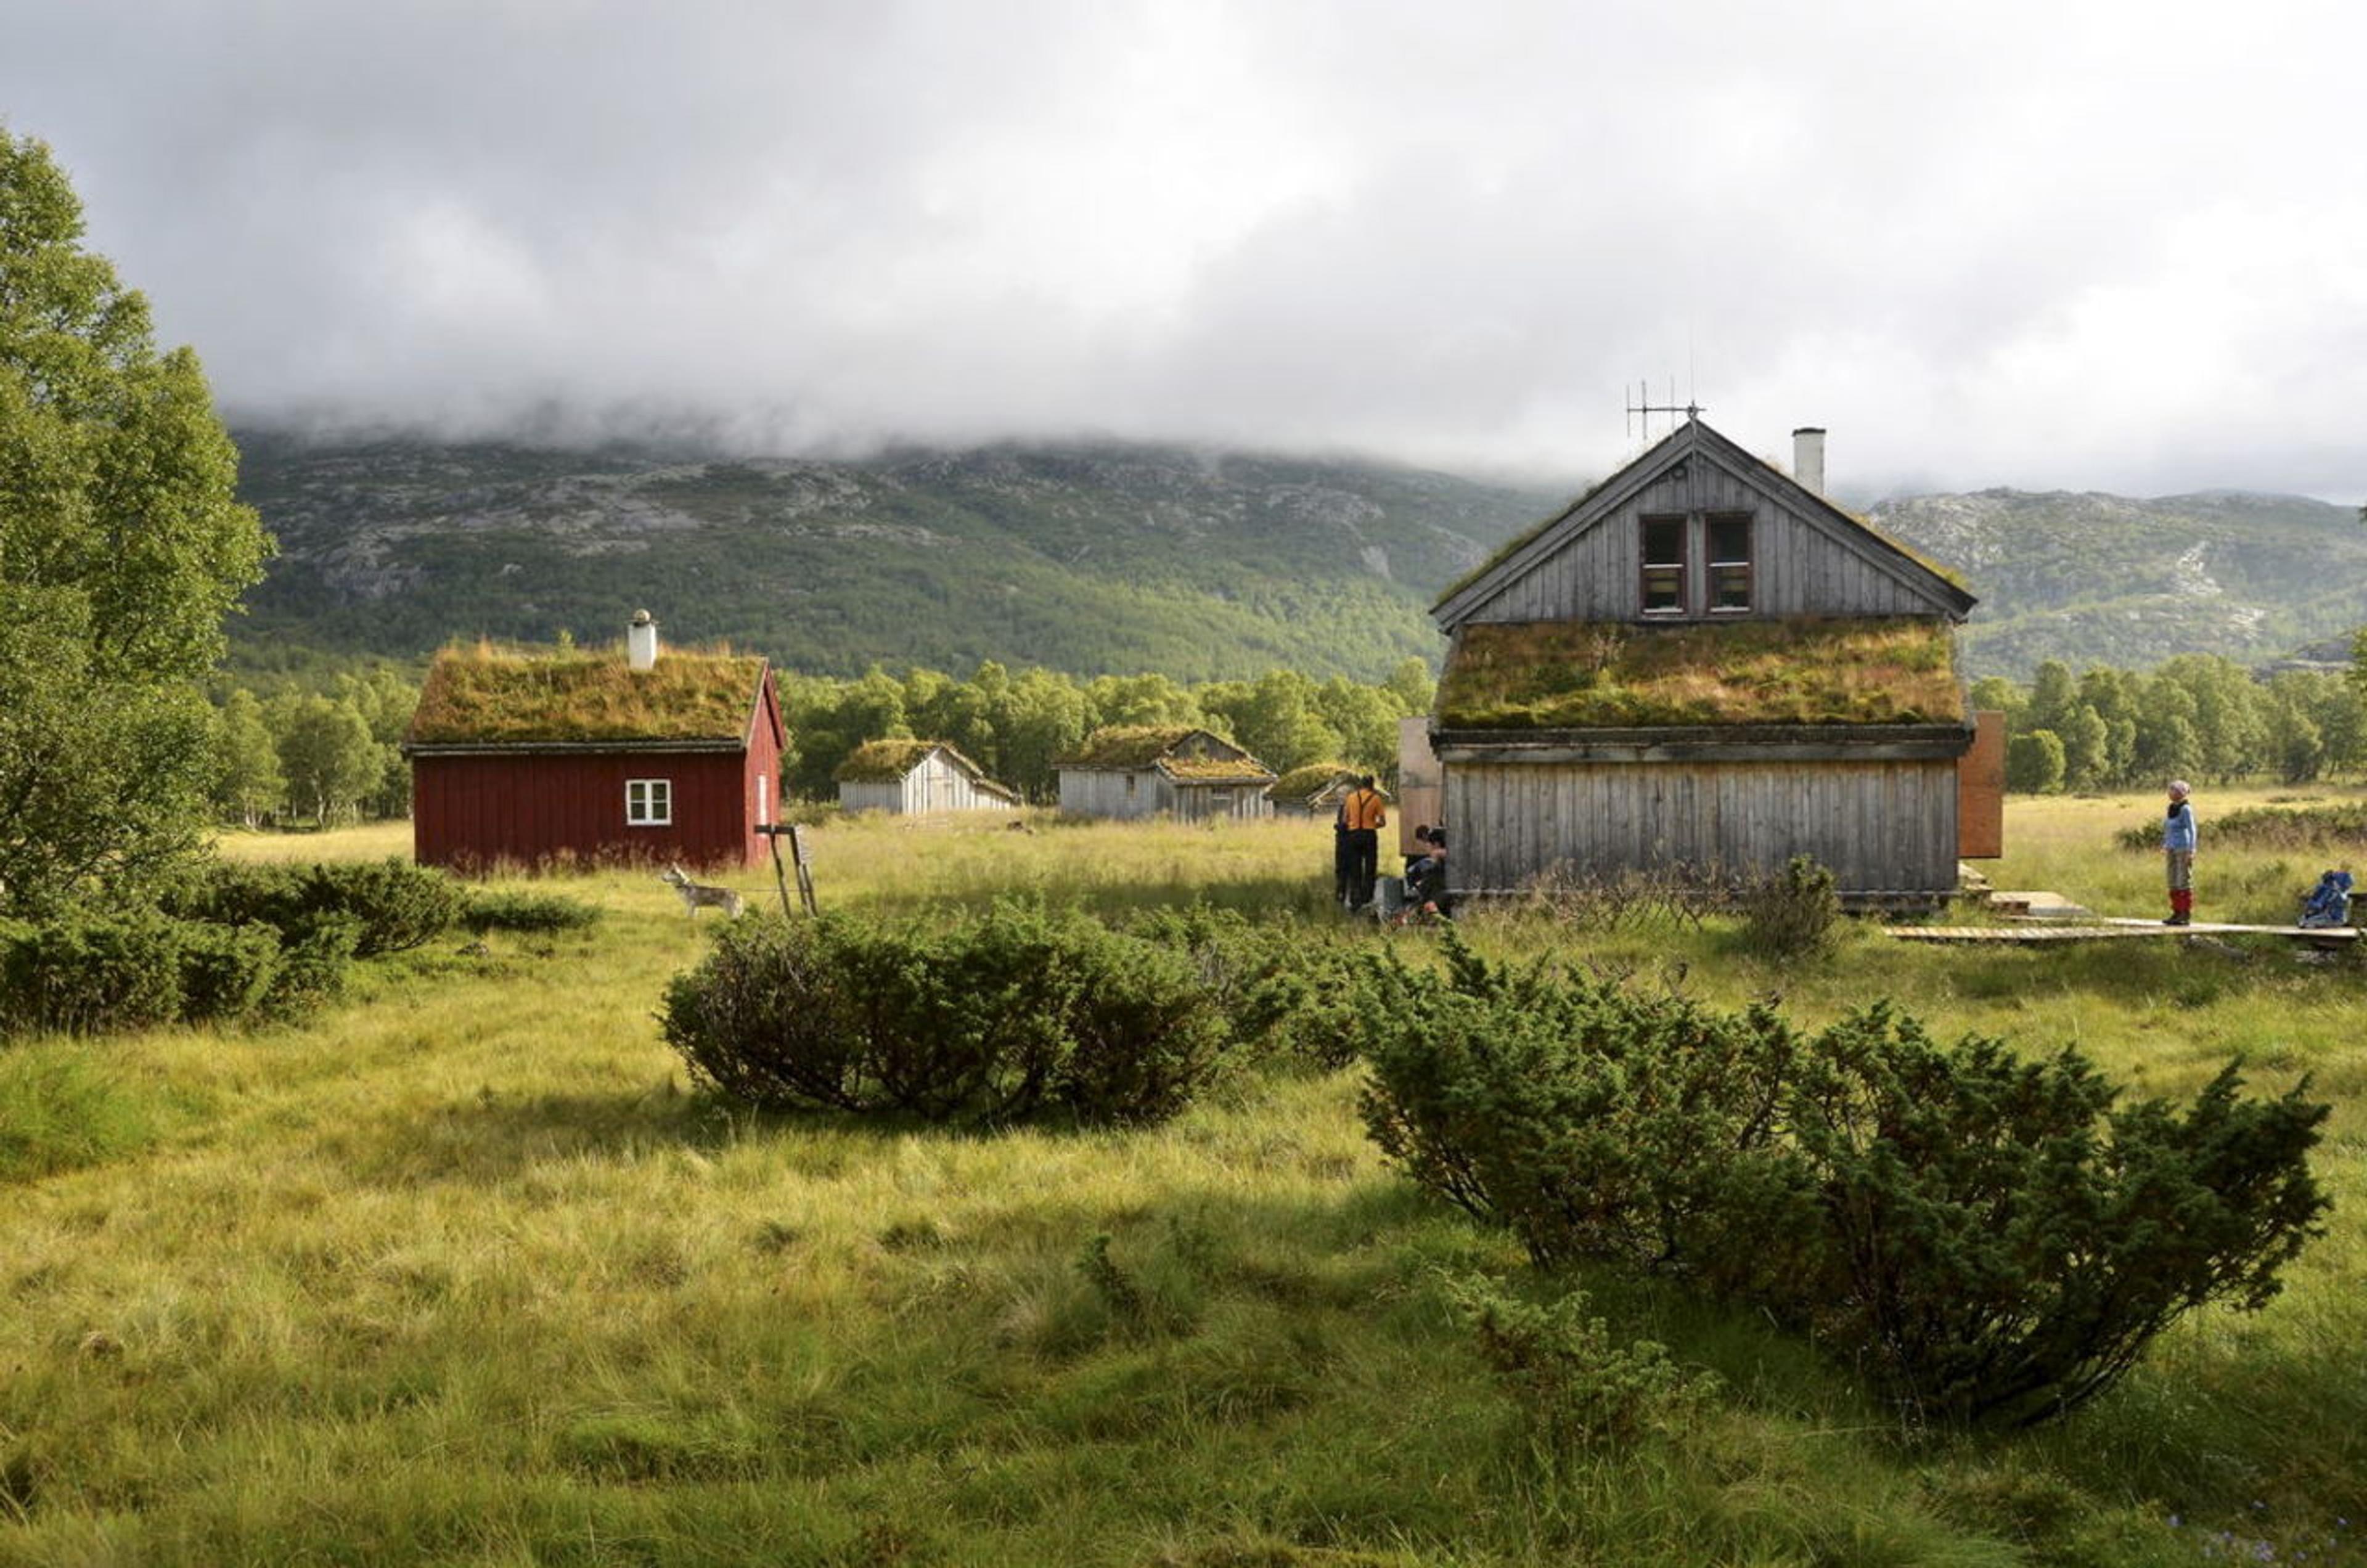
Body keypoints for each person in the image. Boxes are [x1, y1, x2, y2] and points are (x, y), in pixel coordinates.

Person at [1339, 774, 1388, 910]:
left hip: (1353, 835)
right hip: (1369, 835)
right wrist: (1372, 825)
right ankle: (1368, 897)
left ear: (1361, 785)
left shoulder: (1351, 798)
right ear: (1372, 785)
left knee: (1355, 867)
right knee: (1370, 867)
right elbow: (1382, 822)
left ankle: (1355, 898)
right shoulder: (1376, 799)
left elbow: (1345, 820)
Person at [2162, 779, 2197, 925]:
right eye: (2170, 790)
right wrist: (2165, 844)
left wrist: (2192, 849)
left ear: (2181, 793)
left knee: (2183, 881)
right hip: (2171, 848)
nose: (2170, 793)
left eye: (2173, 790)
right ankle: (2176, 912)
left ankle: (2185, 913)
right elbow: (2168, 828)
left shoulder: (2185, 809)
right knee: (2172, 881)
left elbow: (2192, 829)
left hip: (2183, 848)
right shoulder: (2171, 808)